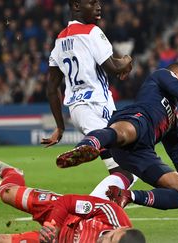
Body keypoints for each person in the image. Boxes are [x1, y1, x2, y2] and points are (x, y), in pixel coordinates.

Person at [57, 63, 178, 211]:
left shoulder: (172, 122)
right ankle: (86, 147)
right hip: (136, 119)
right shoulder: (162, 75)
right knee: (126, 132)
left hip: (141, 155)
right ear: (177, 74)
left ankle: (127, 196)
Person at [0, 159, 146, 243]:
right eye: (111, 236)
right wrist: (52, 225)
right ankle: (13, 173)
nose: (105, 239)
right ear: (122, 228)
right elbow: (70, 202)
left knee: (0, 241)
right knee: (6, 192)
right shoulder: (112, 214)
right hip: (61, 211)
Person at [42, 0, 135, 200]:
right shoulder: (92, 32)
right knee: (128, 169)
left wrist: (61, 127)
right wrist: (127, 59)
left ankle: (104, 209)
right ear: (76, 6)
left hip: (78, 109)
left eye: (99, 2)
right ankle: (86, 208)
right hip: (96, 107)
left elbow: (52, 89)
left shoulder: (59, 41)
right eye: (92, 3)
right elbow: (113, 67)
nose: (98, 6)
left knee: (124, 173)